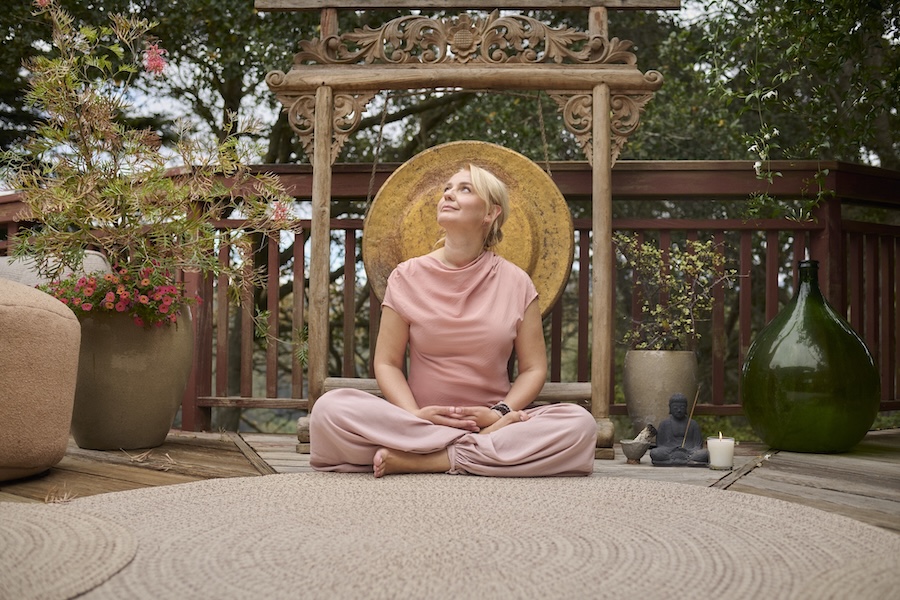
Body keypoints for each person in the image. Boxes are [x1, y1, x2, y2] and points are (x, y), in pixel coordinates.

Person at [310, 163, 597, 477]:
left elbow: (533, 368)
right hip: (418, 424)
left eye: (465, 189)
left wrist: (499, 413)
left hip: (493, 420)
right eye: (447, 188)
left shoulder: (517, 282)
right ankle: (477, 449)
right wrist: (415, 415)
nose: (448, 194)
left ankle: (430, 458)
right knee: (329, 409)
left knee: (579, 425)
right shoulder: (406, 277)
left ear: (490, 213)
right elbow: (387, 363)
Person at [649, 393, 709, 466]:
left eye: (682, 407)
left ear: (686, 408)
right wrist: (673, 450)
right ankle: (686, 461)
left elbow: (698, 445)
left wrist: (687, 450)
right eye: (675, 408)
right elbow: (660, 444)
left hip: (689, 452)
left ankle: (672, 461)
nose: (679, 410)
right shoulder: (664, 424)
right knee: (654, 453)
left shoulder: (693, 424)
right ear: (670, 408)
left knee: (704, 454)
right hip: (670, 452)